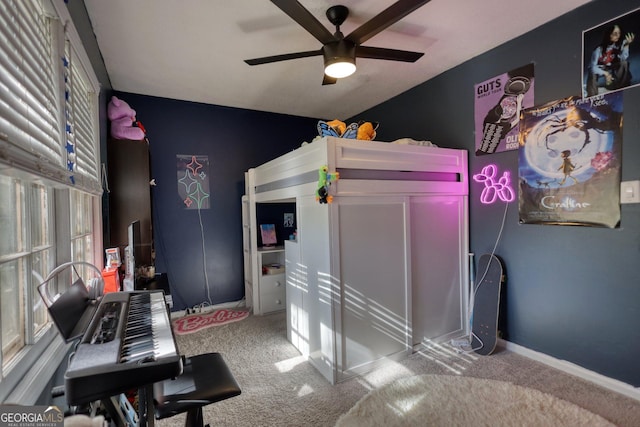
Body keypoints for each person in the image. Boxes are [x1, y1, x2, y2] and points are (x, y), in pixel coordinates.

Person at [586, 24, 635, 97]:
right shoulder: (598, 50)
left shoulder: (619, 44)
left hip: (612, 65)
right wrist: (605, 73)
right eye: (615, 33)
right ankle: (592, 96)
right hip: (602, 68)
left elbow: (623, 59)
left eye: (619, 33)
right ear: (609, 35)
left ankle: (621, 87)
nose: (618, 35)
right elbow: (592, 67)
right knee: (592, 73)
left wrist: (626, 45)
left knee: (624, 63)